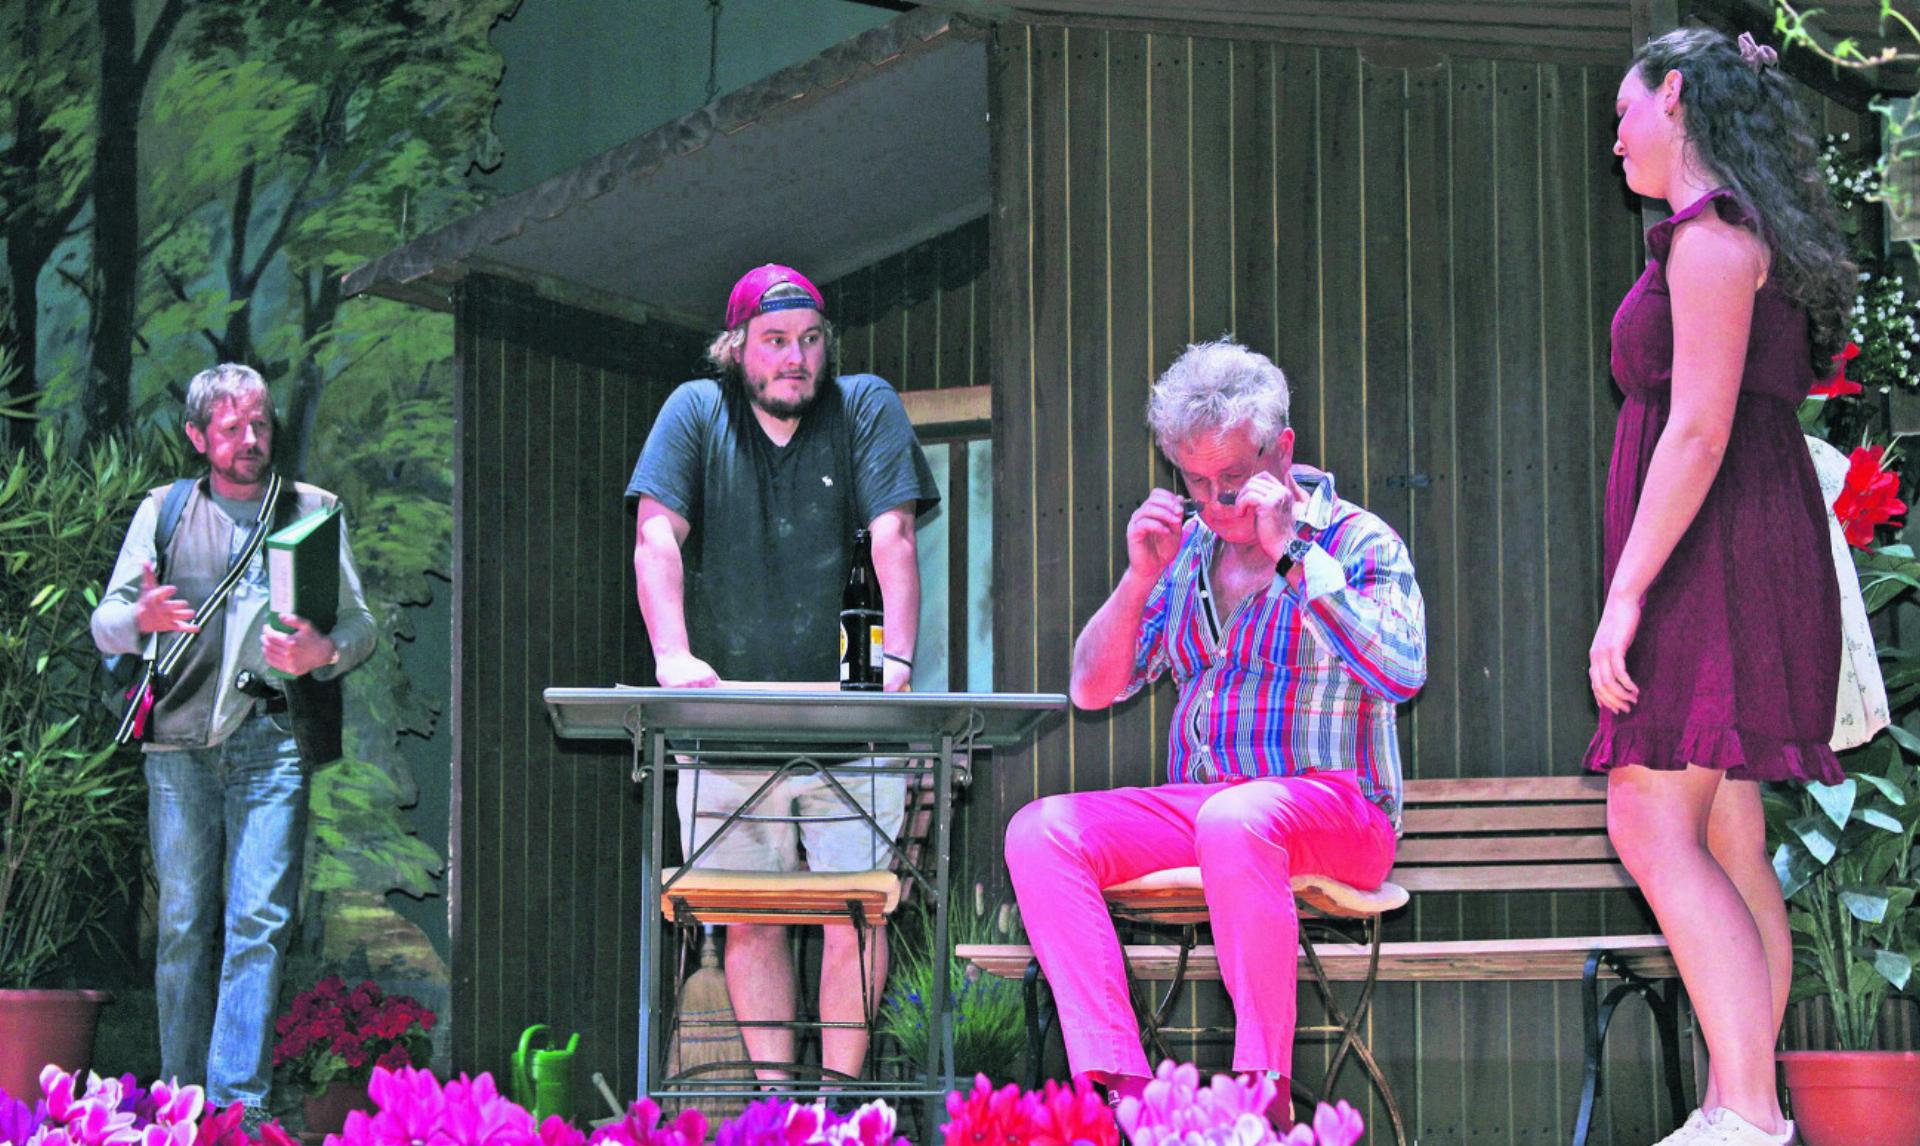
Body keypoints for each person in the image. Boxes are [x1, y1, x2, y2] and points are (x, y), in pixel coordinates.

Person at [1004, 339, 1426, 1115]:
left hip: (1340, 811)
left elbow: (1403, 670)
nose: (1217, 502)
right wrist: (1139, 577)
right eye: (1196, 483)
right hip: (1213, 813)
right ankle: (1122, 1096)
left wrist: (1294, 556)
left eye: (1233, 479)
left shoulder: (1358, 541)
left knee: (1239, 818)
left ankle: (1262, 1100)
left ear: (1283, 451)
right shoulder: (1188, 551)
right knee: (1039, 831)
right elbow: (1092, 689)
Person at [1587, 28, 1857, 1146]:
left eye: (1625, 112)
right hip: (1742, 544)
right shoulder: (1731, 240)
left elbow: (1694, 432)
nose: (1614, 138)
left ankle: (1746, 1109)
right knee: (1732, 837)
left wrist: (1626, 594)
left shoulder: (1708, 245)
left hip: (1714, 557)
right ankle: (1741, 1103)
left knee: (1648, 819)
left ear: (1679, 97)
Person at [626, 264, 939, 1082]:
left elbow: (893, 536)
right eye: (775, 342)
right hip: (726, 720)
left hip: (853, 722)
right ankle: (777, 1109)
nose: (795, 357)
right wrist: (671, 654)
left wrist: (895, 662)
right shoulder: (695, 411)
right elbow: (656, 536)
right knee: (748, 919)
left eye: (808, 340)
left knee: (855, 916)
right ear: (737, 350)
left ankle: (835, 1109)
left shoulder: (863, 403)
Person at [91, 363, 375, 1127]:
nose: (251, 440)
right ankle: (182, 1101)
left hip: (273, 741)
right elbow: (104, 623)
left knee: (259, 921)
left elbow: (361, 626)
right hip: (179, 748)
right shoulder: (165, 512)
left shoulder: (312, 510)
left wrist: (325, 653)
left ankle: (236, 1107)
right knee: (184, 922)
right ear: (197, 437)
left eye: (260, 424)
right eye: (231, 428)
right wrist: (139, 617)